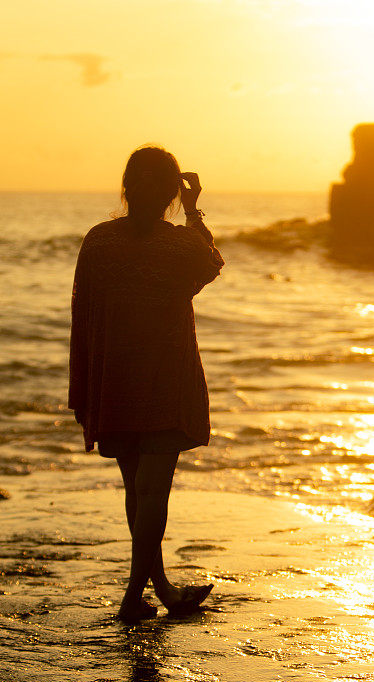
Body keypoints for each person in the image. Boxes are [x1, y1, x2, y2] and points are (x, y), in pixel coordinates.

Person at [68, 145, 224, 624]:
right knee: (152, 494)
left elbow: (82, 320)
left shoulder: (98, 242)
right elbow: (212, 260)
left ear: (126, 186)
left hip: (114, 384)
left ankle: (161, 590)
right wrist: (195, 207)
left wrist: (83, 389)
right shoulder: (179, 245)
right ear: (171, 194)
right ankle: (132, 598)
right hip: (164, 385)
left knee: (139, 494)